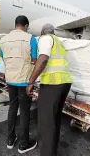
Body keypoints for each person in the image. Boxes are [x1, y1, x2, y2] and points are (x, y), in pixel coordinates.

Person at [26, 24, 72, 156]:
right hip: (64, 83)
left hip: (53, 84)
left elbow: (43, 59)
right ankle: (52, 151)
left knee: (46, 123)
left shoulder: (46, 39)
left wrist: (31, 81)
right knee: (54, 120)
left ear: (42, 33)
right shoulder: (58, 42)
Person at [0, 15, 38, 154]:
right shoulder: (30, 39)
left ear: (15, 24)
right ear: (26, 26)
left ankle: (10, 140)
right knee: (24, 111)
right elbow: (34, 60)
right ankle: (23, 144)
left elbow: (3, 58)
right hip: (24, 81)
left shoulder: (3, 40)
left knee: (12, 108)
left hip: (10, 79)